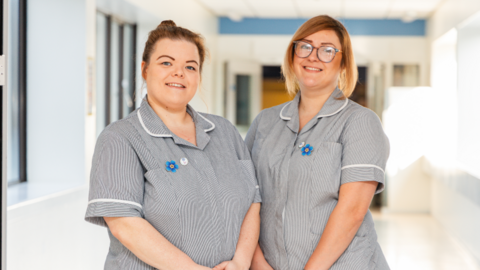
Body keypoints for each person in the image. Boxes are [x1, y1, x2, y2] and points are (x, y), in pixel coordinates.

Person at [85, 20, 261, 270]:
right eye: (166, 62)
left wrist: (240, 263)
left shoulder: (224, 131)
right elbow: (125, 224)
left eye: (190, 66)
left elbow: (253, 200)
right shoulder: (120, 138)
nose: (179, 73)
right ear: (145, 70)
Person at [246, 15, 390, 270]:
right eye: (304, 46)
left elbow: (353, 210)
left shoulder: (360, 122)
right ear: (292, 56)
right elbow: (245, 199)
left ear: (343, 63)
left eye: (327, 51)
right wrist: (257, 263)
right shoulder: (264, 123)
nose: (313, 56)